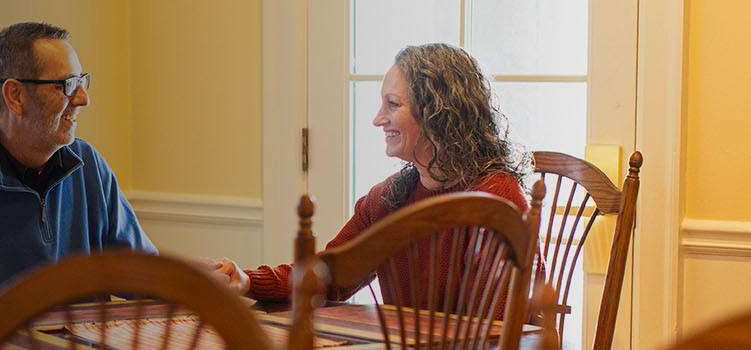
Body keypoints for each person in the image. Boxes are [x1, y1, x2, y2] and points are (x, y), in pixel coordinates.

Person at [206, 43, 530, 303]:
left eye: (393, 104)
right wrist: (248, 280)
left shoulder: (498, 198)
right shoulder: (388, 199)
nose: (377, 119)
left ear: (437, 113)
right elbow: (328, 275)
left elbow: (497, 324)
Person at [0, 22, 156, 309]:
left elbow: (141, 275)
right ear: (15, 96)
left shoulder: (90, 166)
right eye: (66, 85)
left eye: (82, 82)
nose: (84, 99)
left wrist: (190, 280)